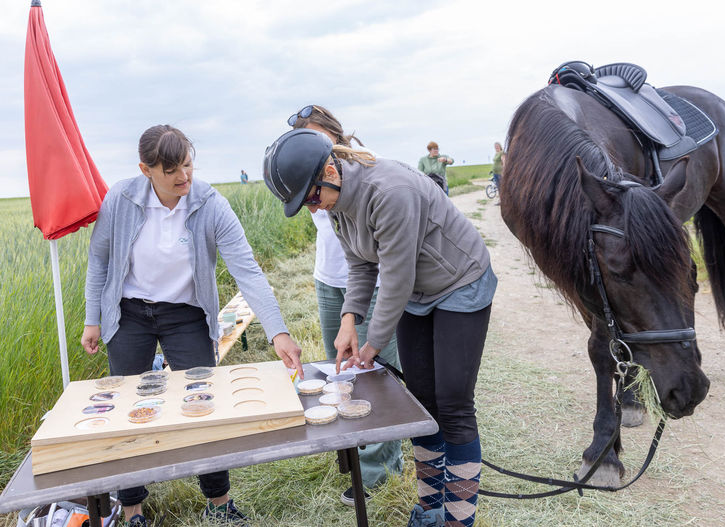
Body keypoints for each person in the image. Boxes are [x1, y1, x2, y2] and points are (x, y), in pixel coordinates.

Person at [263, 128, 496, 527]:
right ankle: (429, 509)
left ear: (329, 172)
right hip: (419, 294)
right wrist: (350, 319)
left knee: (453, 403)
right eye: (305, 204)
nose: (313, 209)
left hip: (459, 282)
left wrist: (372, 344)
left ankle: (458, 520)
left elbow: (396, 278)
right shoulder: (336, 205)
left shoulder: (390, 192)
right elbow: (361, 264)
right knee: (422, 402)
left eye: (312, 198)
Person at [81, 124, 304, 527]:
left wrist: (278, 331)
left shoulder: (210, 204)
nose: (183, 176)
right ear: (146, 170)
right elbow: (99, 260)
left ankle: (219, 502)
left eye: (187, 165)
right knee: (129, 406)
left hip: (187, 314)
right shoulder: (121, 198)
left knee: (203, 402)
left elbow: (247, 271)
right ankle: (132, 508)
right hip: (129, 313)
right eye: (171, 170)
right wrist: (92, 318)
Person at [287, 104, 404, 505]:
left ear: (335, 136)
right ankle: (351, 453)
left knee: (375, 373)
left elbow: (380, 254)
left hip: (368, 281)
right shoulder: (308, 181)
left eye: (319, 137)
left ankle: (380, 469)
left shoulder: (363, 171)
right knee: (340, 375)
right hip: (330, 281)